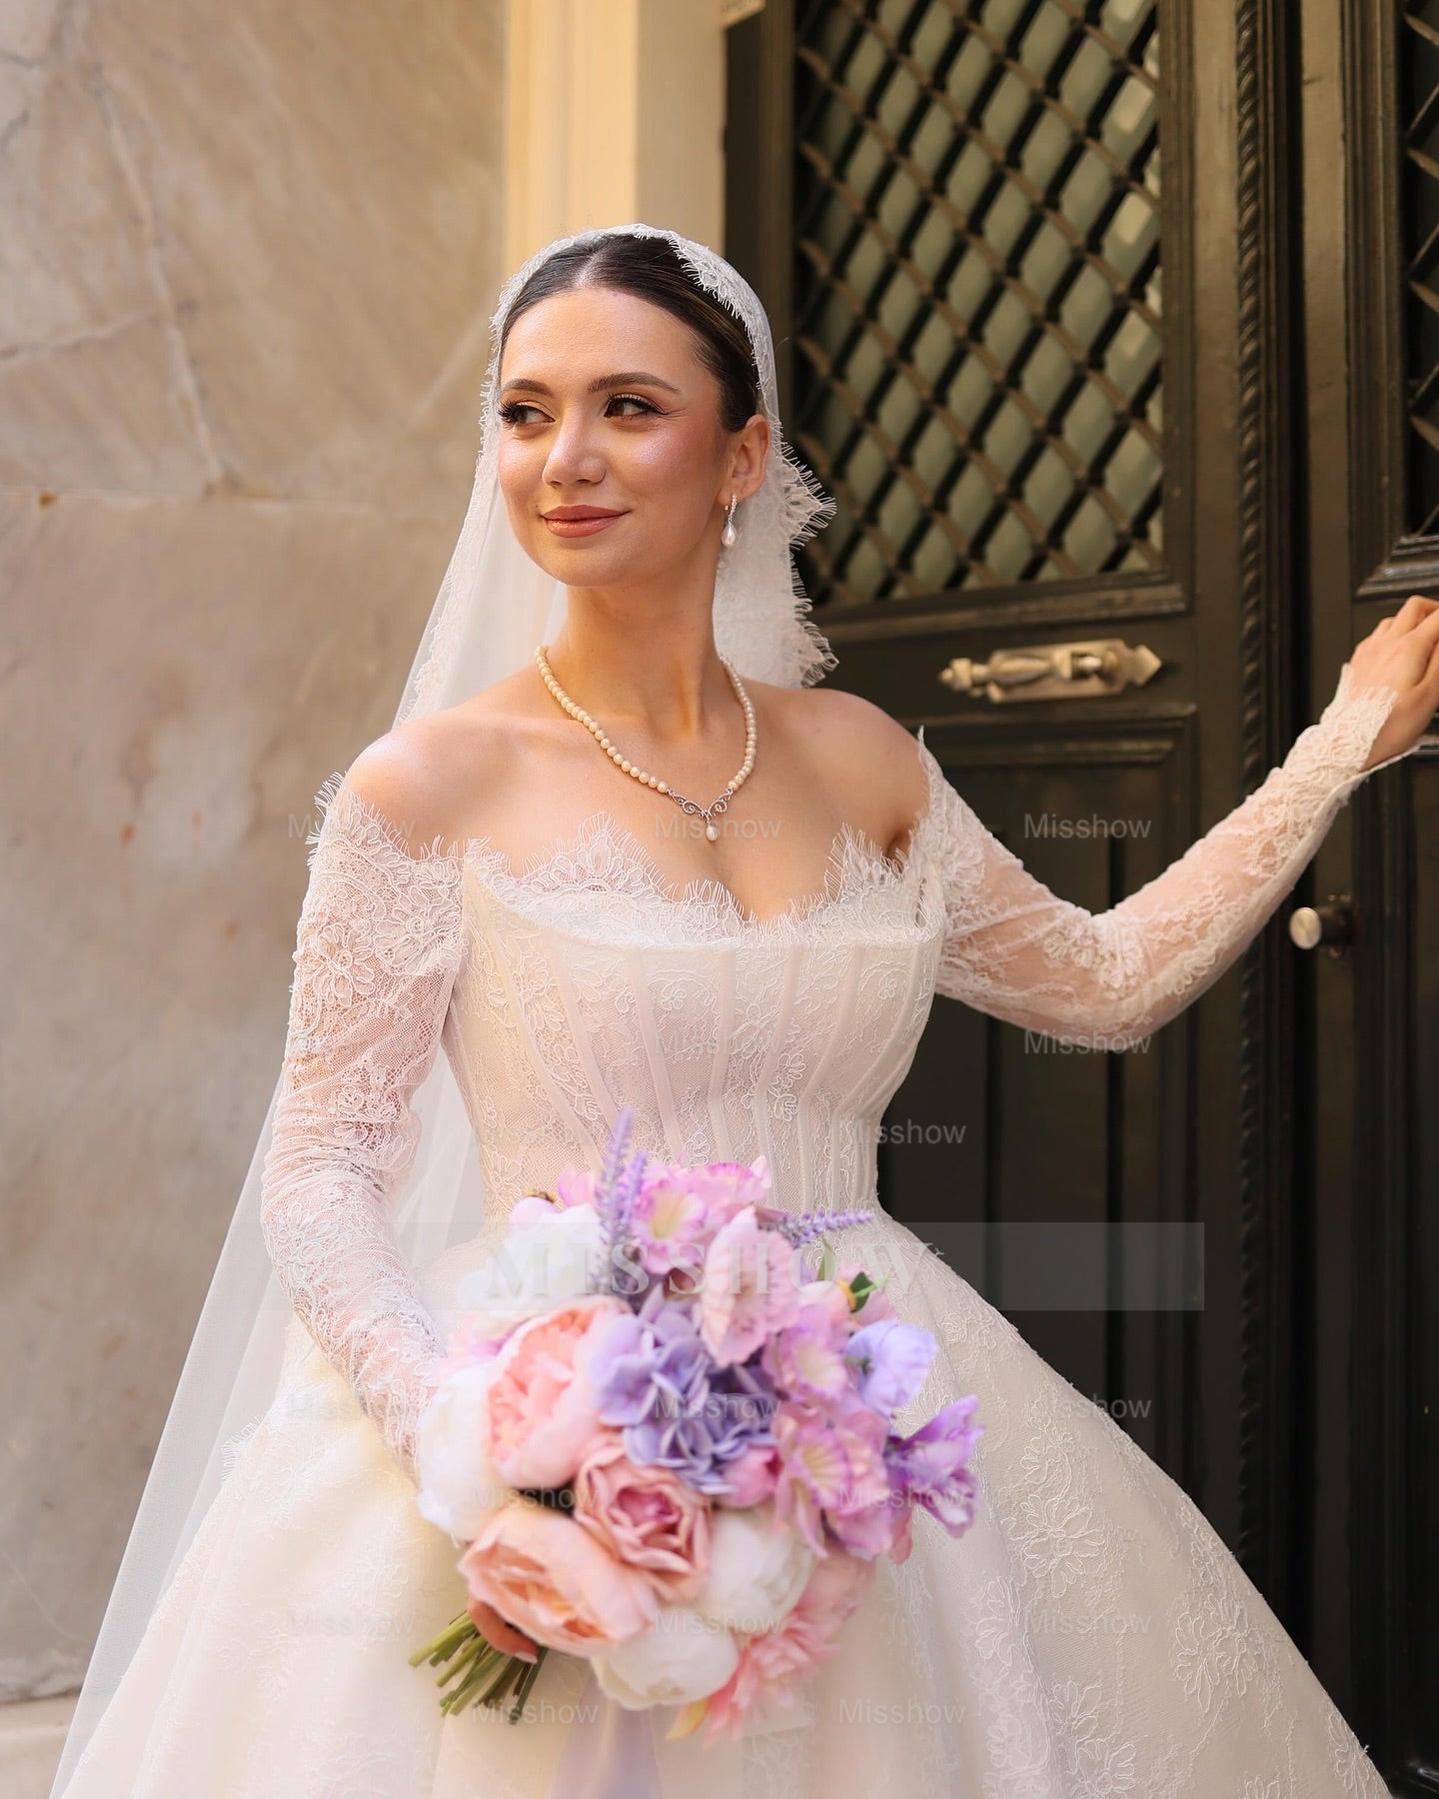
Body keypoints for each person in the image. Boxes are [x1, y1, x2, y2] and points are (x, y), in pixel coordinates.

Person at [47, 224, 1437, 1799]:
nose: (562, 458)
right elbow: (319, 1163)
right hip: (551, 1420)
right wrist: (485, 1446)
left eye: (628, 407)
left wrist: (1342, 743)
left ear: (743, 454)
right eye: (522, 412)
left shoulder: (862, 759)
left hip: (870, 1426)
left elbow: (1105, 984)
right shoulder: (428, 787)